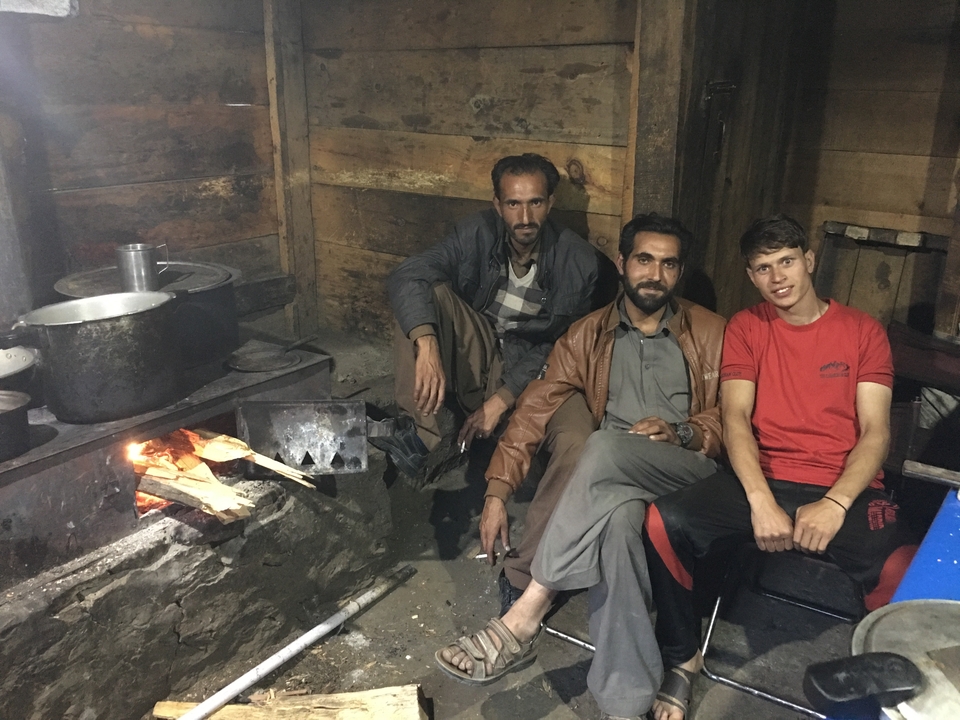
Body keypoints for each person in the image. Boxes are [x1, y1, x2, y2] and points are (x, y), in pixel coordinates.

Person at [435, 213, 726, 720]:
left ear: (680, 272)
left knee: (600, 448)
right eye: (644, 260)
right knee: (617, 527)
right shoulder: (586, 336)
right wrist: (497, 492)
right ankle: (626, 702)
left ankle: (526, 613)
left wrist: (685, 432)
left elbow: (739, 415)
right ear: (622, 263)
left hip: (685, 470)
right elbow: (534, 411)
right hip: (614, 488)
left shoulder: (714, 332)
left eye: (668, 264)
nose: (654, 274)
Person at [644, 215, 917, 720]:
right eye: (763, 268)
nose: (778, 277)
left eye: (787, 261)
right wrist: (760, 500)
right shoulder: (747, 328)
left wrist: (835, 504)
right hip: (763, 478)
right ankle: (682, 657)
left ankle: (889, 698)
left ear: (809, 260)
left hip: (844, 486)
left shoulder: (862, 331)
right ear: (751, 276)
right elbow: (736, 419)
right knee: (663, 522)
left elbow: (877, 431)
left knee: (905, 571)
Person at [376, 153, 613, 477]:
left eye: (536, 203)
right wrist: (428, 345)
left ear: (551, 203)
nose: (525, 216)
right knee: (425, 293)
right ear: (498, 205)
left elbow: (560, 345)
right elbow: (408, 274)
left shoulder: (578, 261)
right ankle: (421, 437)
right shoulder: (477, 233)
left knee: (572, 433)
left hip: (528, 364)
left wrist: (502, 399)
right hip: (479, 349)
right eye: (514, 204)